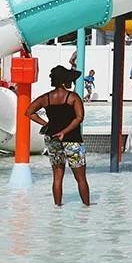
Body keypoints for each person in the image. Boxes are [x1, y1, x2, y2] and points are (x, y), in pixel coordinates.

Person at [25, 65, 90, 206]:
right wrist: (65, 132)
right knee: (80, 178)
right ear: (63, 81)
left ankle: (58, 208)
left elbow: (29, 112)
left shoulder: (46, 98)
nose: (70, 82)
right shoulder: (72, 97)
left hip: (52, 137)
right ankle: (87, 208)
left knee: (57, 177)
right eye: (68, 79)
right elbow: (79, 118)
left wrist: (46, 124)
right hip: (72, 139)